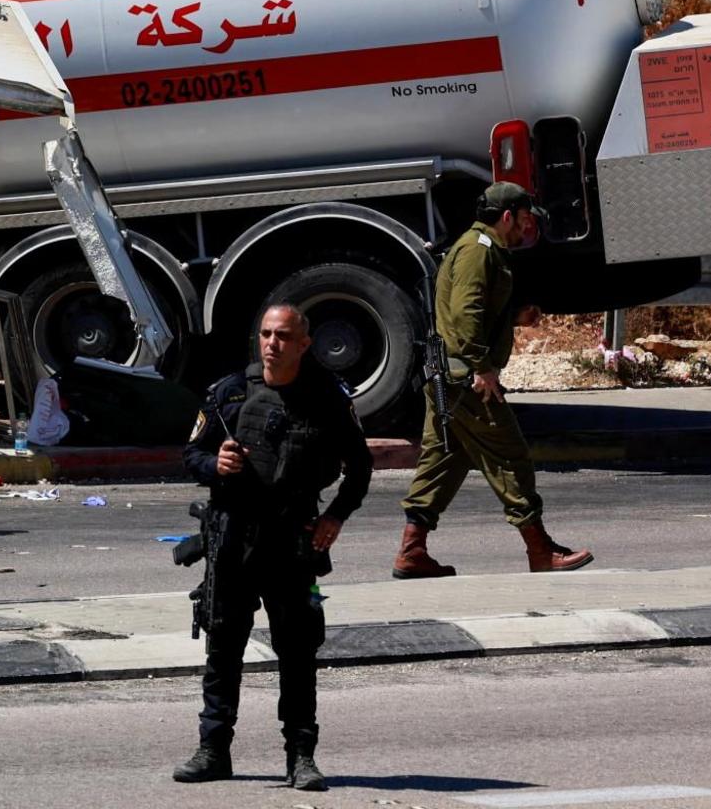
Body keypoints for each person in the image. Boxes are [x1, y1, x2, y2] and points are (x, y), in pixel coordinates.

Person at [175, 305, 372, 792]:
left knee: (298, 652)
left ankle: (301, 756)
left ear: (304, 344)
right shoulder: (230, 394)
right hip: (233, 538)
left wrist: (334, 518)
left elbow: (360, 467)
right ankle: (213, 749)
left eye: (283, 335)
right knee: (224, 648)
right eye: (265, 334)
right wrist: (214, 464)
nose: (272, 344)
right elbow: (190, 455)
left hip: (292, 539)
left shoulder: (326, 397)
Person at [396, 181, 593, 577]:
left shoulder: (478, 248)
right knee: (510, 456)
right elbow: (466, 314)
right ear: (507, 217)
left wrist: (513, 317)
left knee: (443, 459)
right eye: (523, 221)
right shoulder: (478, 251)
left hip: (449, 376)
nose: (525, 229)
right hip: (466, 378)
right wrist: (482, 367)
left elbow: (471, 310)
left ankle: (412, 551)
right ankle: (539, 550)